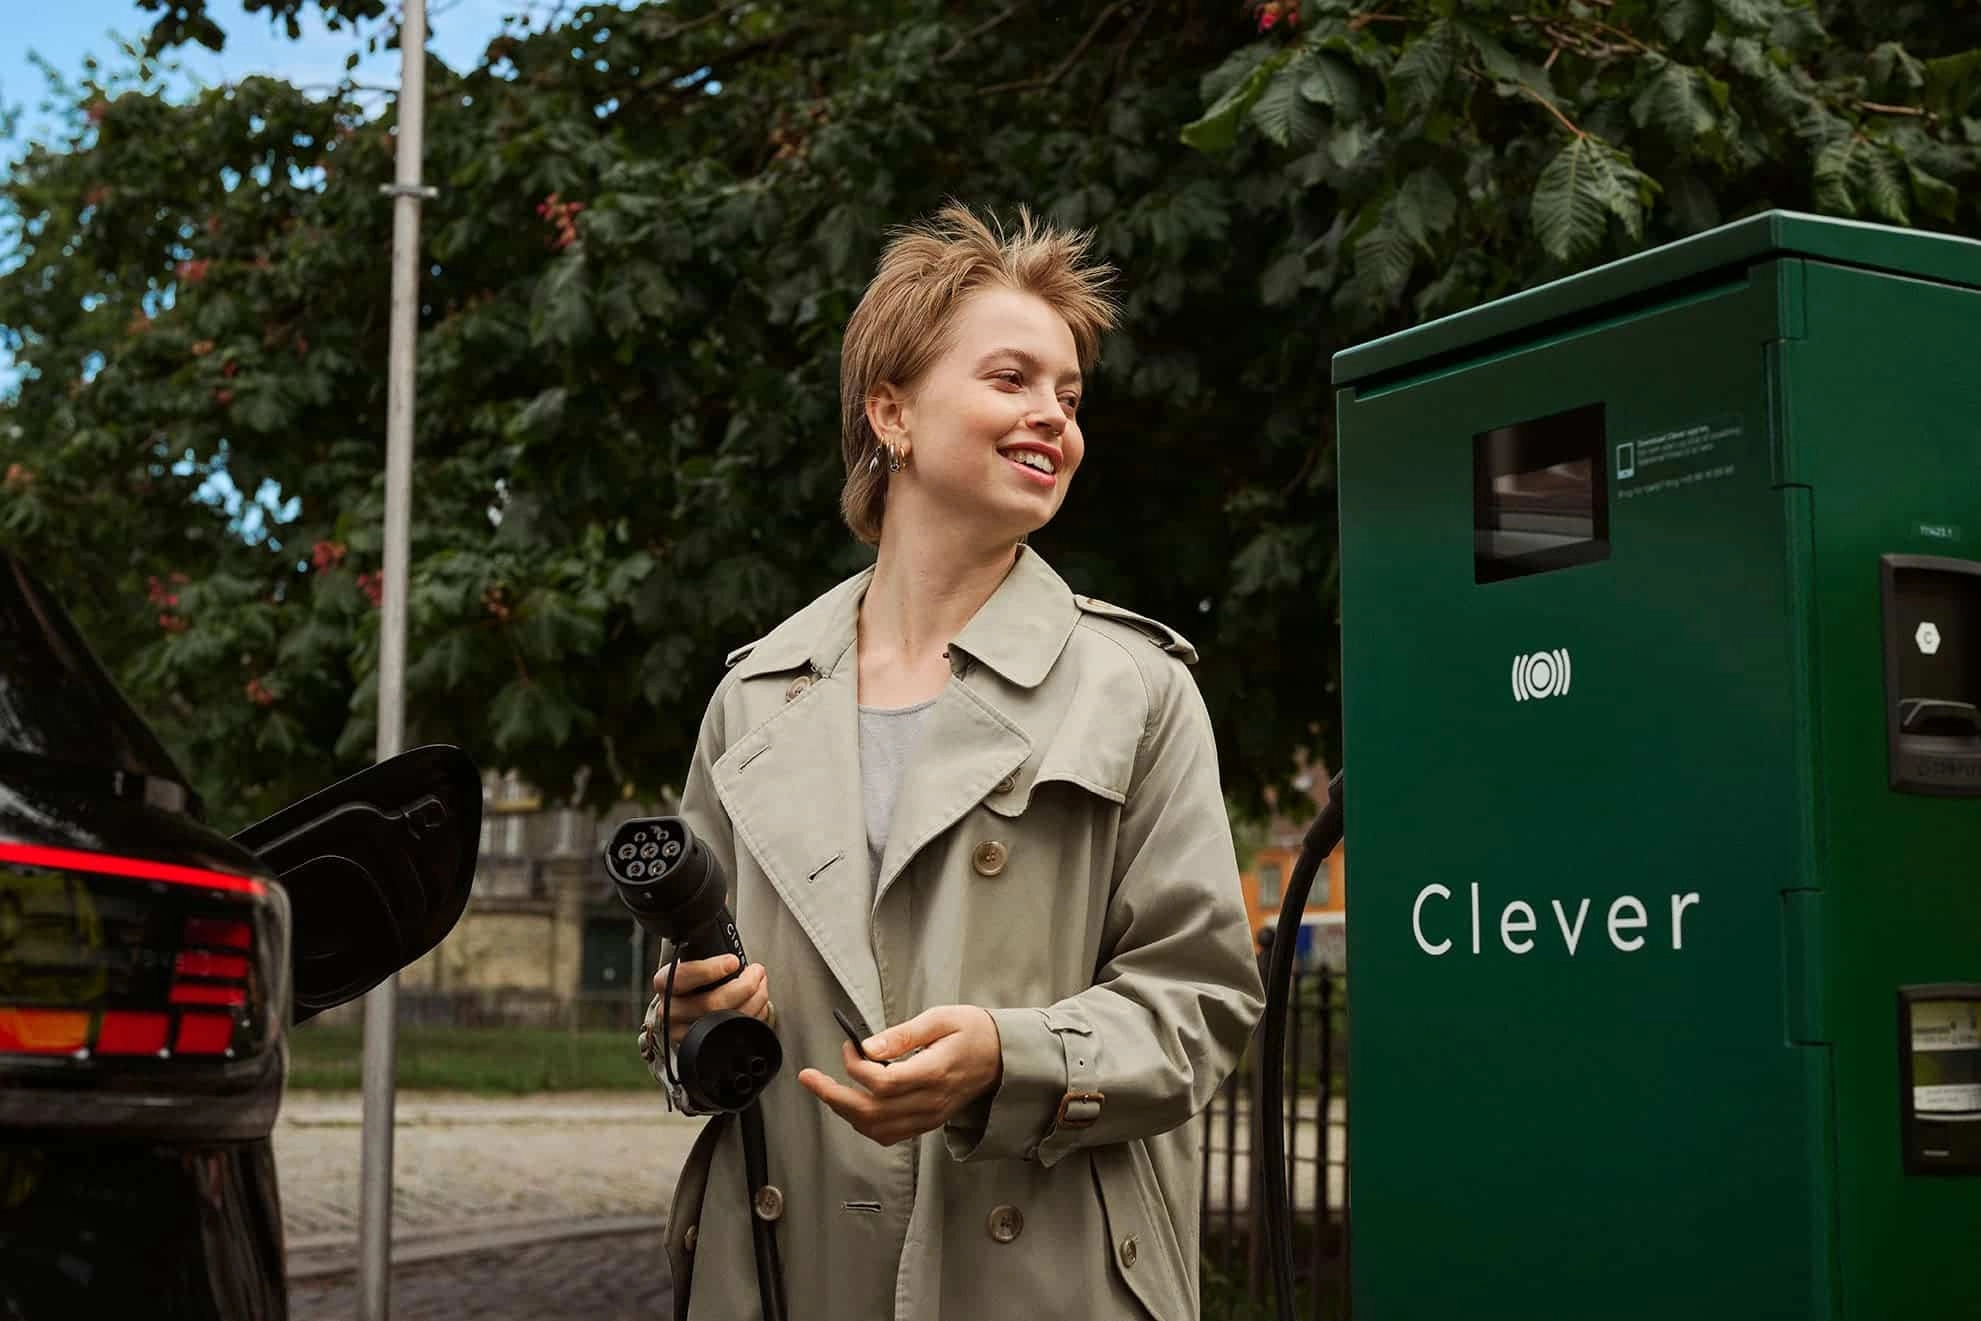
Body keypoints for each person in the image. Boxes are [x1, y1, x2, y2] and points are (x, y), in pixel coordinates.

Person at [646, 202, 1265, 1321]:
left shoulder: (1135, 686)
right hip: (782, 1278)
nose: (1053, 419)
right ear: (891, 411)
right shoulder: (754, 698)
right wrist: (688, 1017)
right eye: (1012, 379)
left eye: (1069, 396)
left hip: (1042, 1277)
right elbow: (683, 1016)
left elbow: (1203, 1003)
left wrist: (1006, 1056)